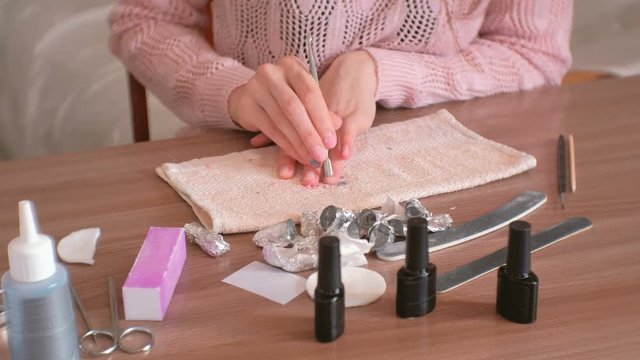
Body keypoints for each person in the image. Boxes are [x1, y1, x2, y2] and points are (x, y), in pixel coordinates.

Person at [109, 1, 572, 187]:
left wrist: (379, 70)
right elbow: (144, 21)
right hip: (245, 159)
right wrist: (234, 91)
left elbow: (533, 51)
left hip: (453, 175)